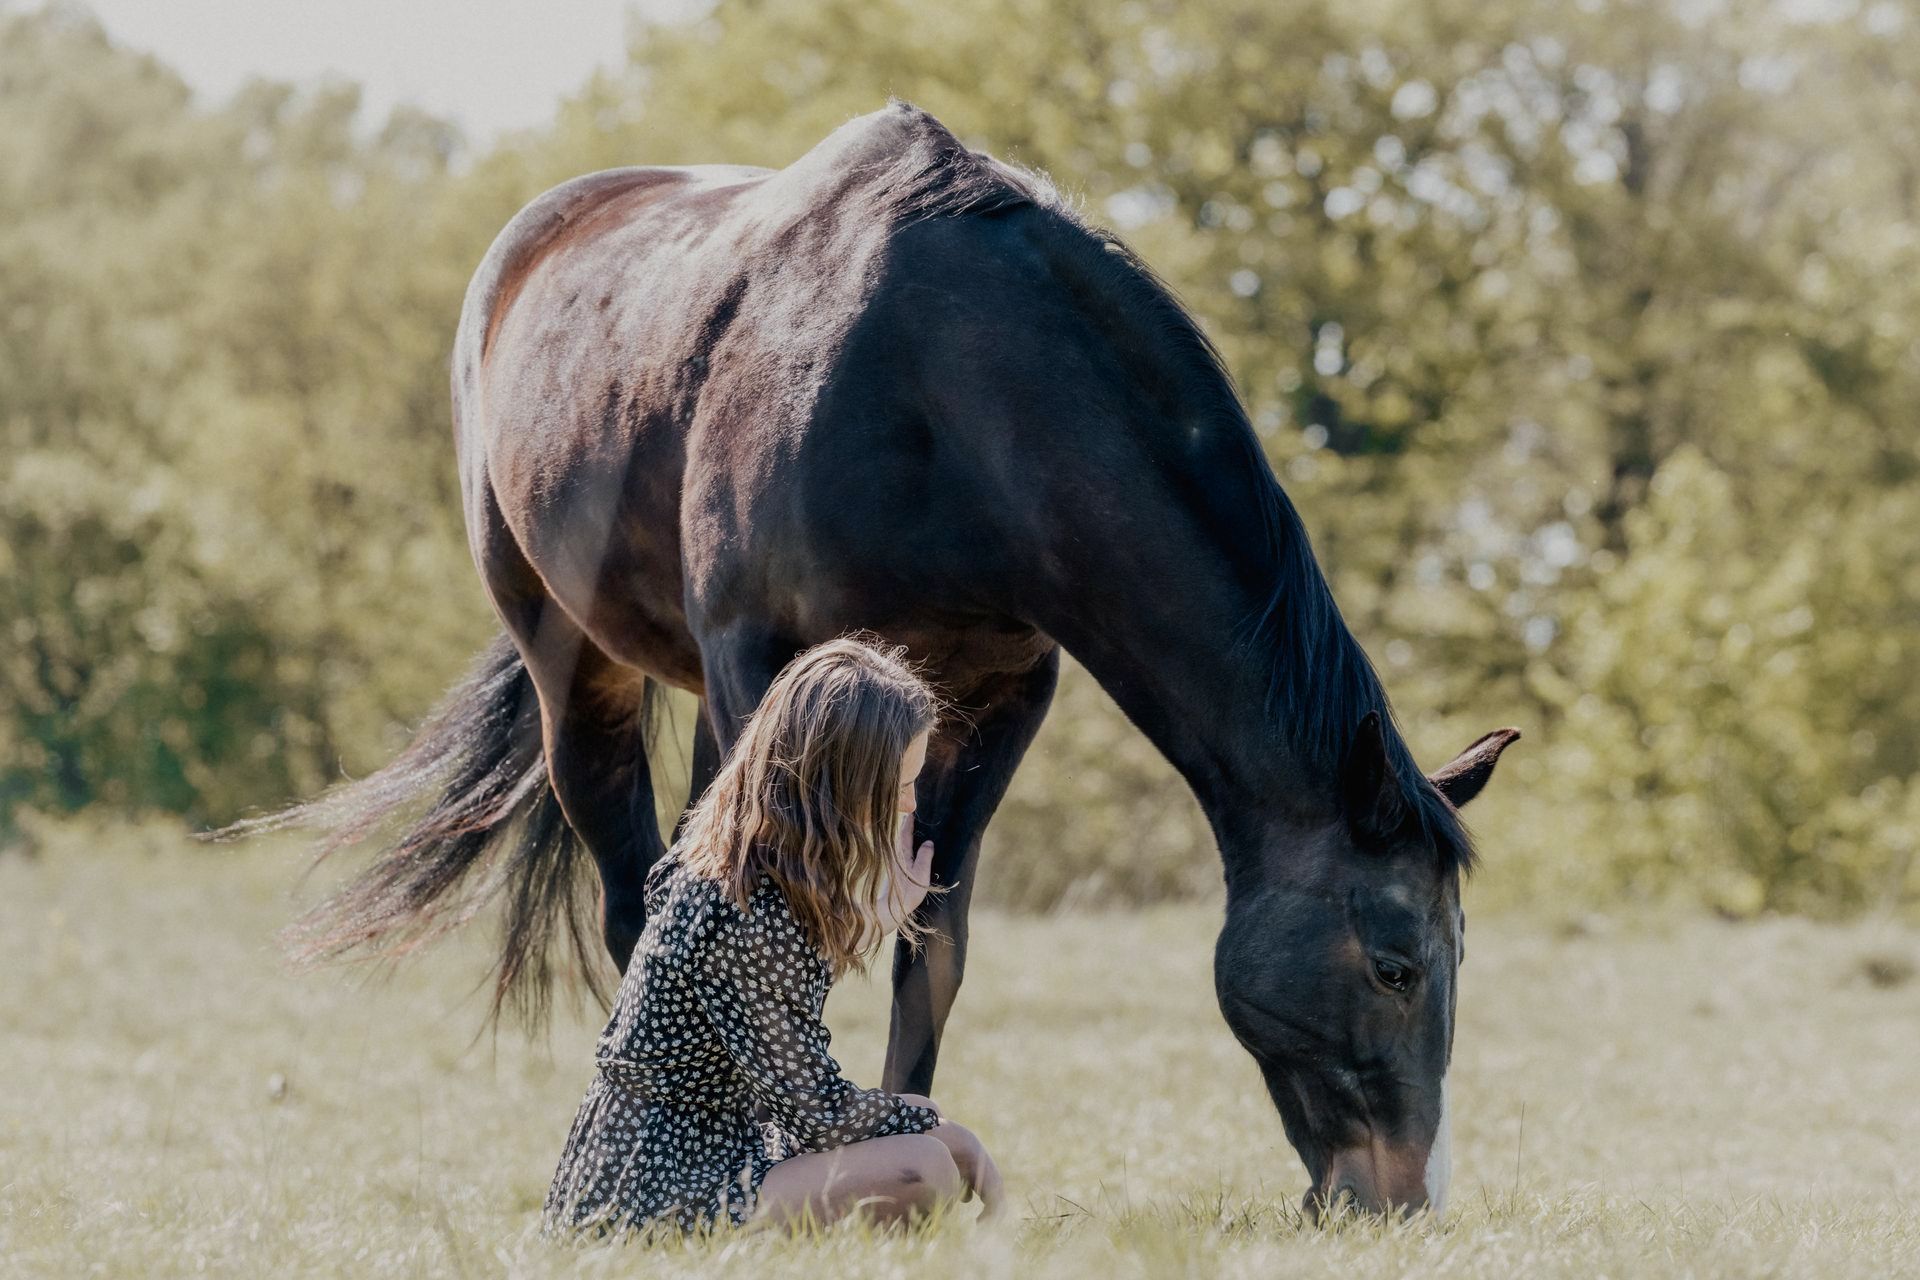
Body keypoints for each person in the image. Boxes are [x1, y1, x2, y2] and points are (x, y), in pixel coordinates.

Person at [542, 635, 1003, 1239]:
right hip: (650, 1187)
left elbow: (778, 1037)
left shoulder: (736, 863)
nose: (908, 802)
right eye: (898, 783)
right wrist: (929, 1123)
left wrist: (870, 919)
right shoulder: (745, 904)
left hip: (700, 1150)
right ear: (840, 779)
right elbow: (818, 1116)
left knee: (930, 1148)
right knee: (922, 1168)